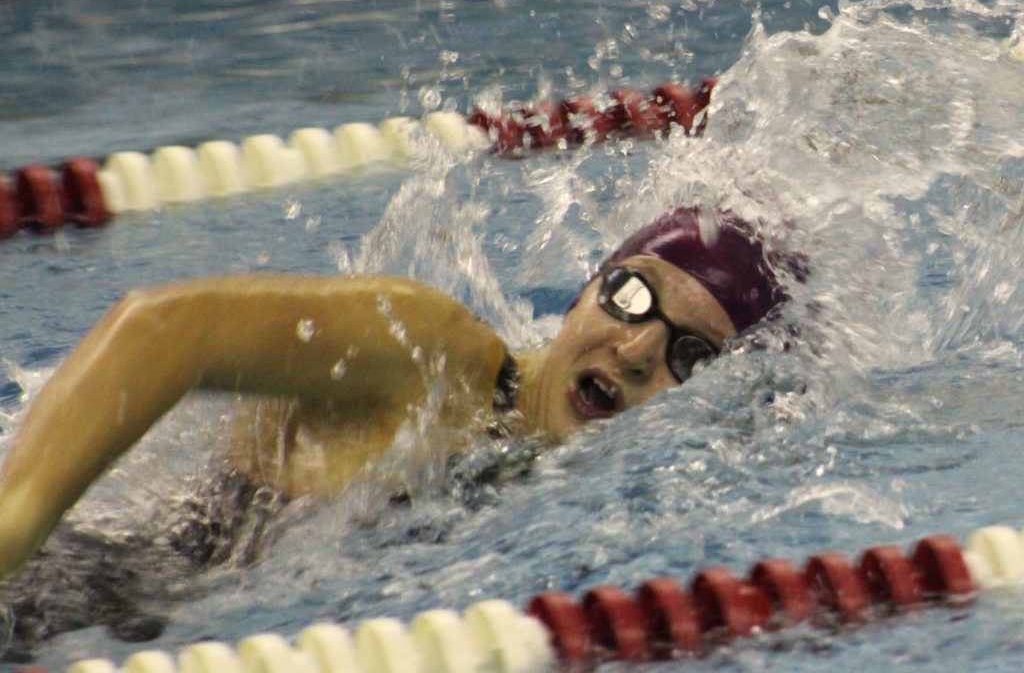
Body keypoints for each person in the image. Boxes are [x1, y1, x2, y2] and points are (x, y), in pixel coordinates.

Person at [0, 207, 788, 589]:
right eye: (631, 297)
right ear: (585, 290)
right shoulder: (435, 358)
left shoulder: (583, 493)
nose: (638, 350)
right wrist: (16, 521)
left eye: (691, 354)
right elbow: (163, 329)